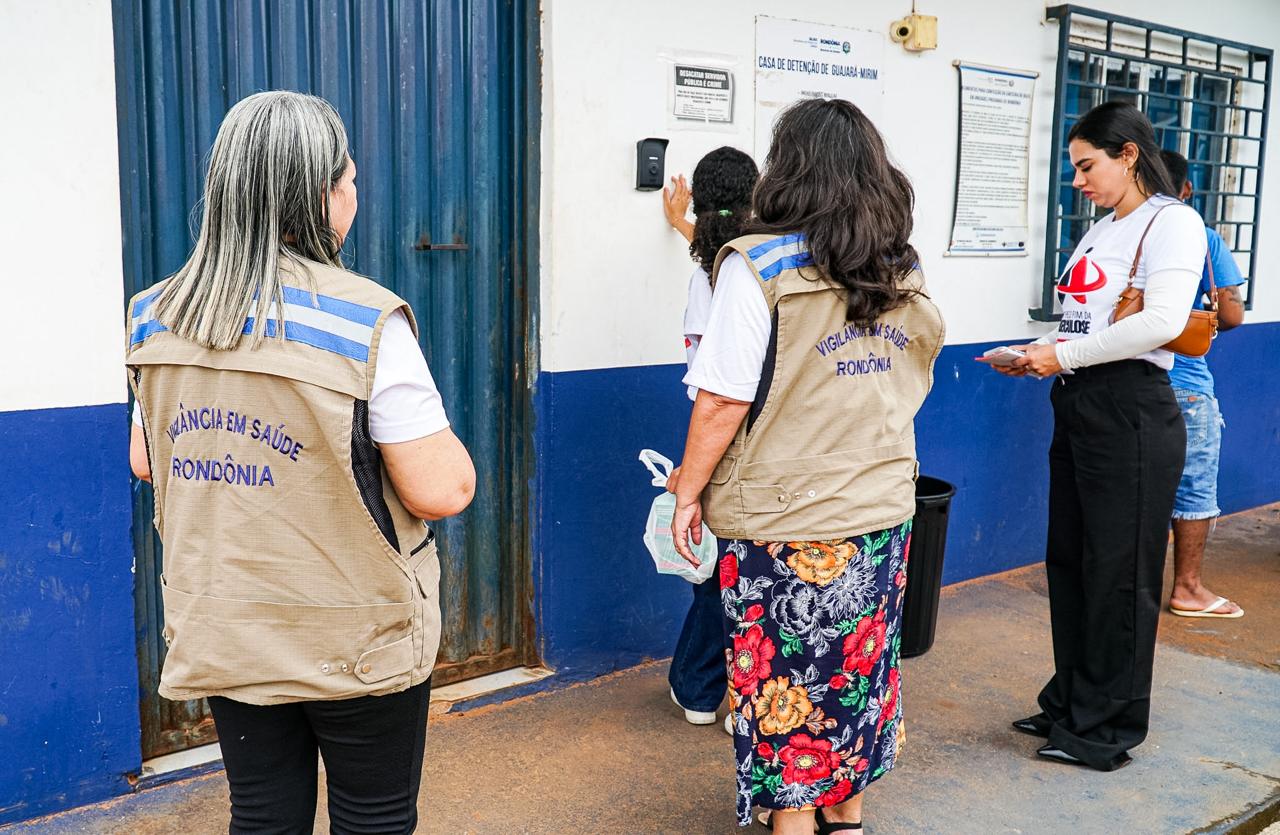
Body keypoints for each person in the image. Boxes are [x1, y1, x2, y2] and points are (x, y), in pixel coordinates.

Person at [126, 91, 475, 833]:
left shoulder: (158, 314)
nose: (356, 191)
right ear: (320, 197)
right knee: (372, 817)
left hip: (230, 626)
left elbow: (146, 458)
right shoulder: (364, 318)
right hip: (357, 637)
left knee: (262, 815)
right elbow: (441, 488)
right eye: (349, 179)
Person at [671, 98, 945, 833]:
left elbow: (723, 401)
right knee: (859, 672)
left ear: (788, 166)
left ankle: (792, 823)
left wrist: (686, 492)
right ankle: (846, 816)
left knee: (784, 677)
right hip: (881, 508)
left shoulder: (757, 263)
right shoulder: (897, 265)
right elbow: (919, 363)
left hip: (782, 519)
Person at [990, 101, 1206, 771]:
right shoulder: (1100, 231)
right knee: (1073, 561)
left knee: (1120, 574)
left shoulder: (1173, 223)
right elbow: (1086, 327)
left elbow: (1163, 320)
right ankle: (1072, 700)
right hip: (1079, 402)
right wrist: (1039, 351)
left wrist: (1065, 356)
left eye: (1087, 166)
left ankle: (1106, 727)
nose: (1078, 180)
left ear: (1129, 155)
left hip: (1132, 411)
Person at [660, 147, 759, 732]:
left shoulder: (711, 270)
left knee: (716, 569)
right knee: (759, 572)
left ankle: (698, 691)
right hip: (767, 433)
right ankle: (747, 704)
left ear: (699, 197)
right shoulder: (765, 264)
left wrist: (690, 478)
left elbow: (712, 392)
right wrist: (683, 223)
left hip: (714, 429)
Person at [1158, 149, 1247, 620]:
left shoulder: (1126, 235)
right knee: (1193, 486)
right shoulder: (1204, 236)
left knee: (1139, 484)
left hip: (1129, 378)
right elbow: (1232, 313)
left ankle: (1131, 585)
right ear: (1186, 190)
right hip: (1187, 382)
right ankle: (1188, 588)